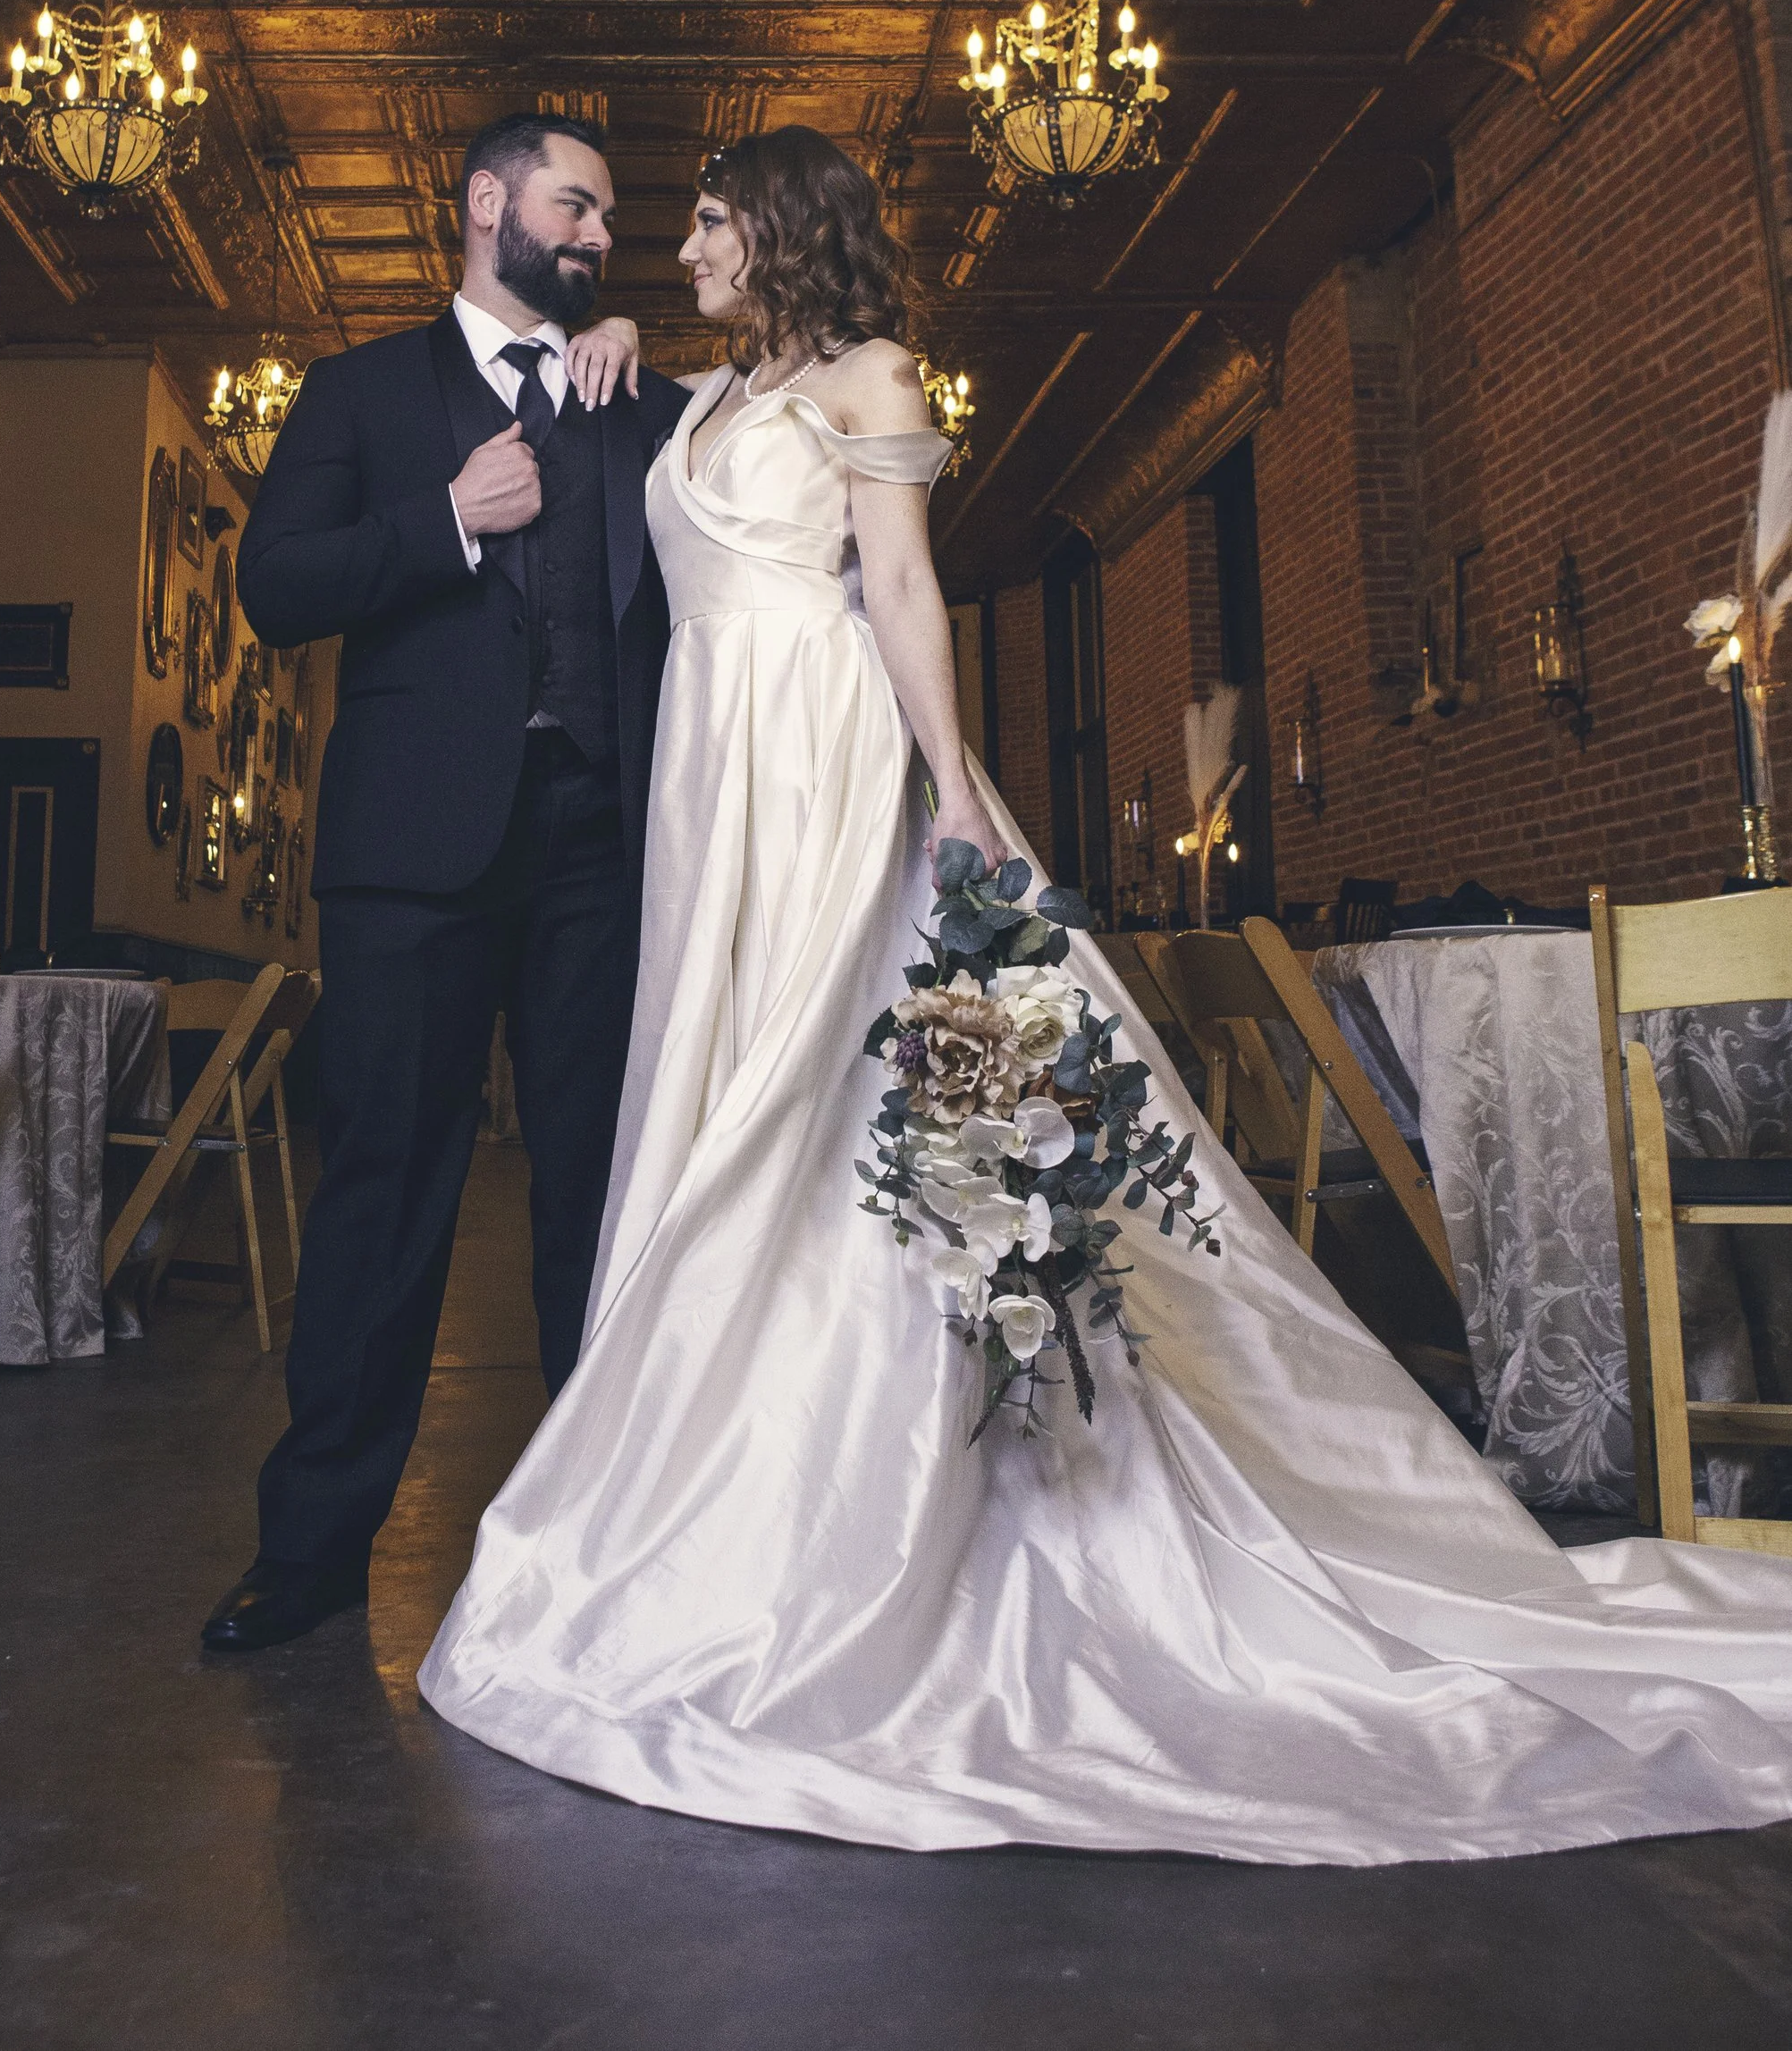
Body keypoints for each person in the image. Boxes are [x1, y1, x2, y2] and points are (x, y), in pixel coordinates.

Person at [419, 123, 1792, 1865]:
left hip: (825, 765)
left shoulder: (871, 375)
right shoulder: (701, 387)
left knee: (839, 1110)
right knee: (735, 1113)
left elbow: (900, 592)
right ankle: (730, 1497)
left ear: (775, 229)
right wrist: (632, 355)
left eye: (695, 224)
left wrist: (962, 801)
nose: (665, 250)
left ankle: (861, 1515)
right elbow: (683, 430)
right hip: (709, 791)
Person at [204, 111, 690, 1654]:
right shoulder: (359, 393)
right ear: (487, 203)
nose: (605, 234)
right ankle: (315, 1549)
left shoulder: (633, 399)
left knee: (593, 1203)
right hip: (412, 858)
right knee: (385, 1193)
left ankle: (595, 1537)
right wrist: (444, 525)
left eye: (611, 215)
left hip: (601, 853)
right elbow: (272, 585)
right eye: (580, 204)